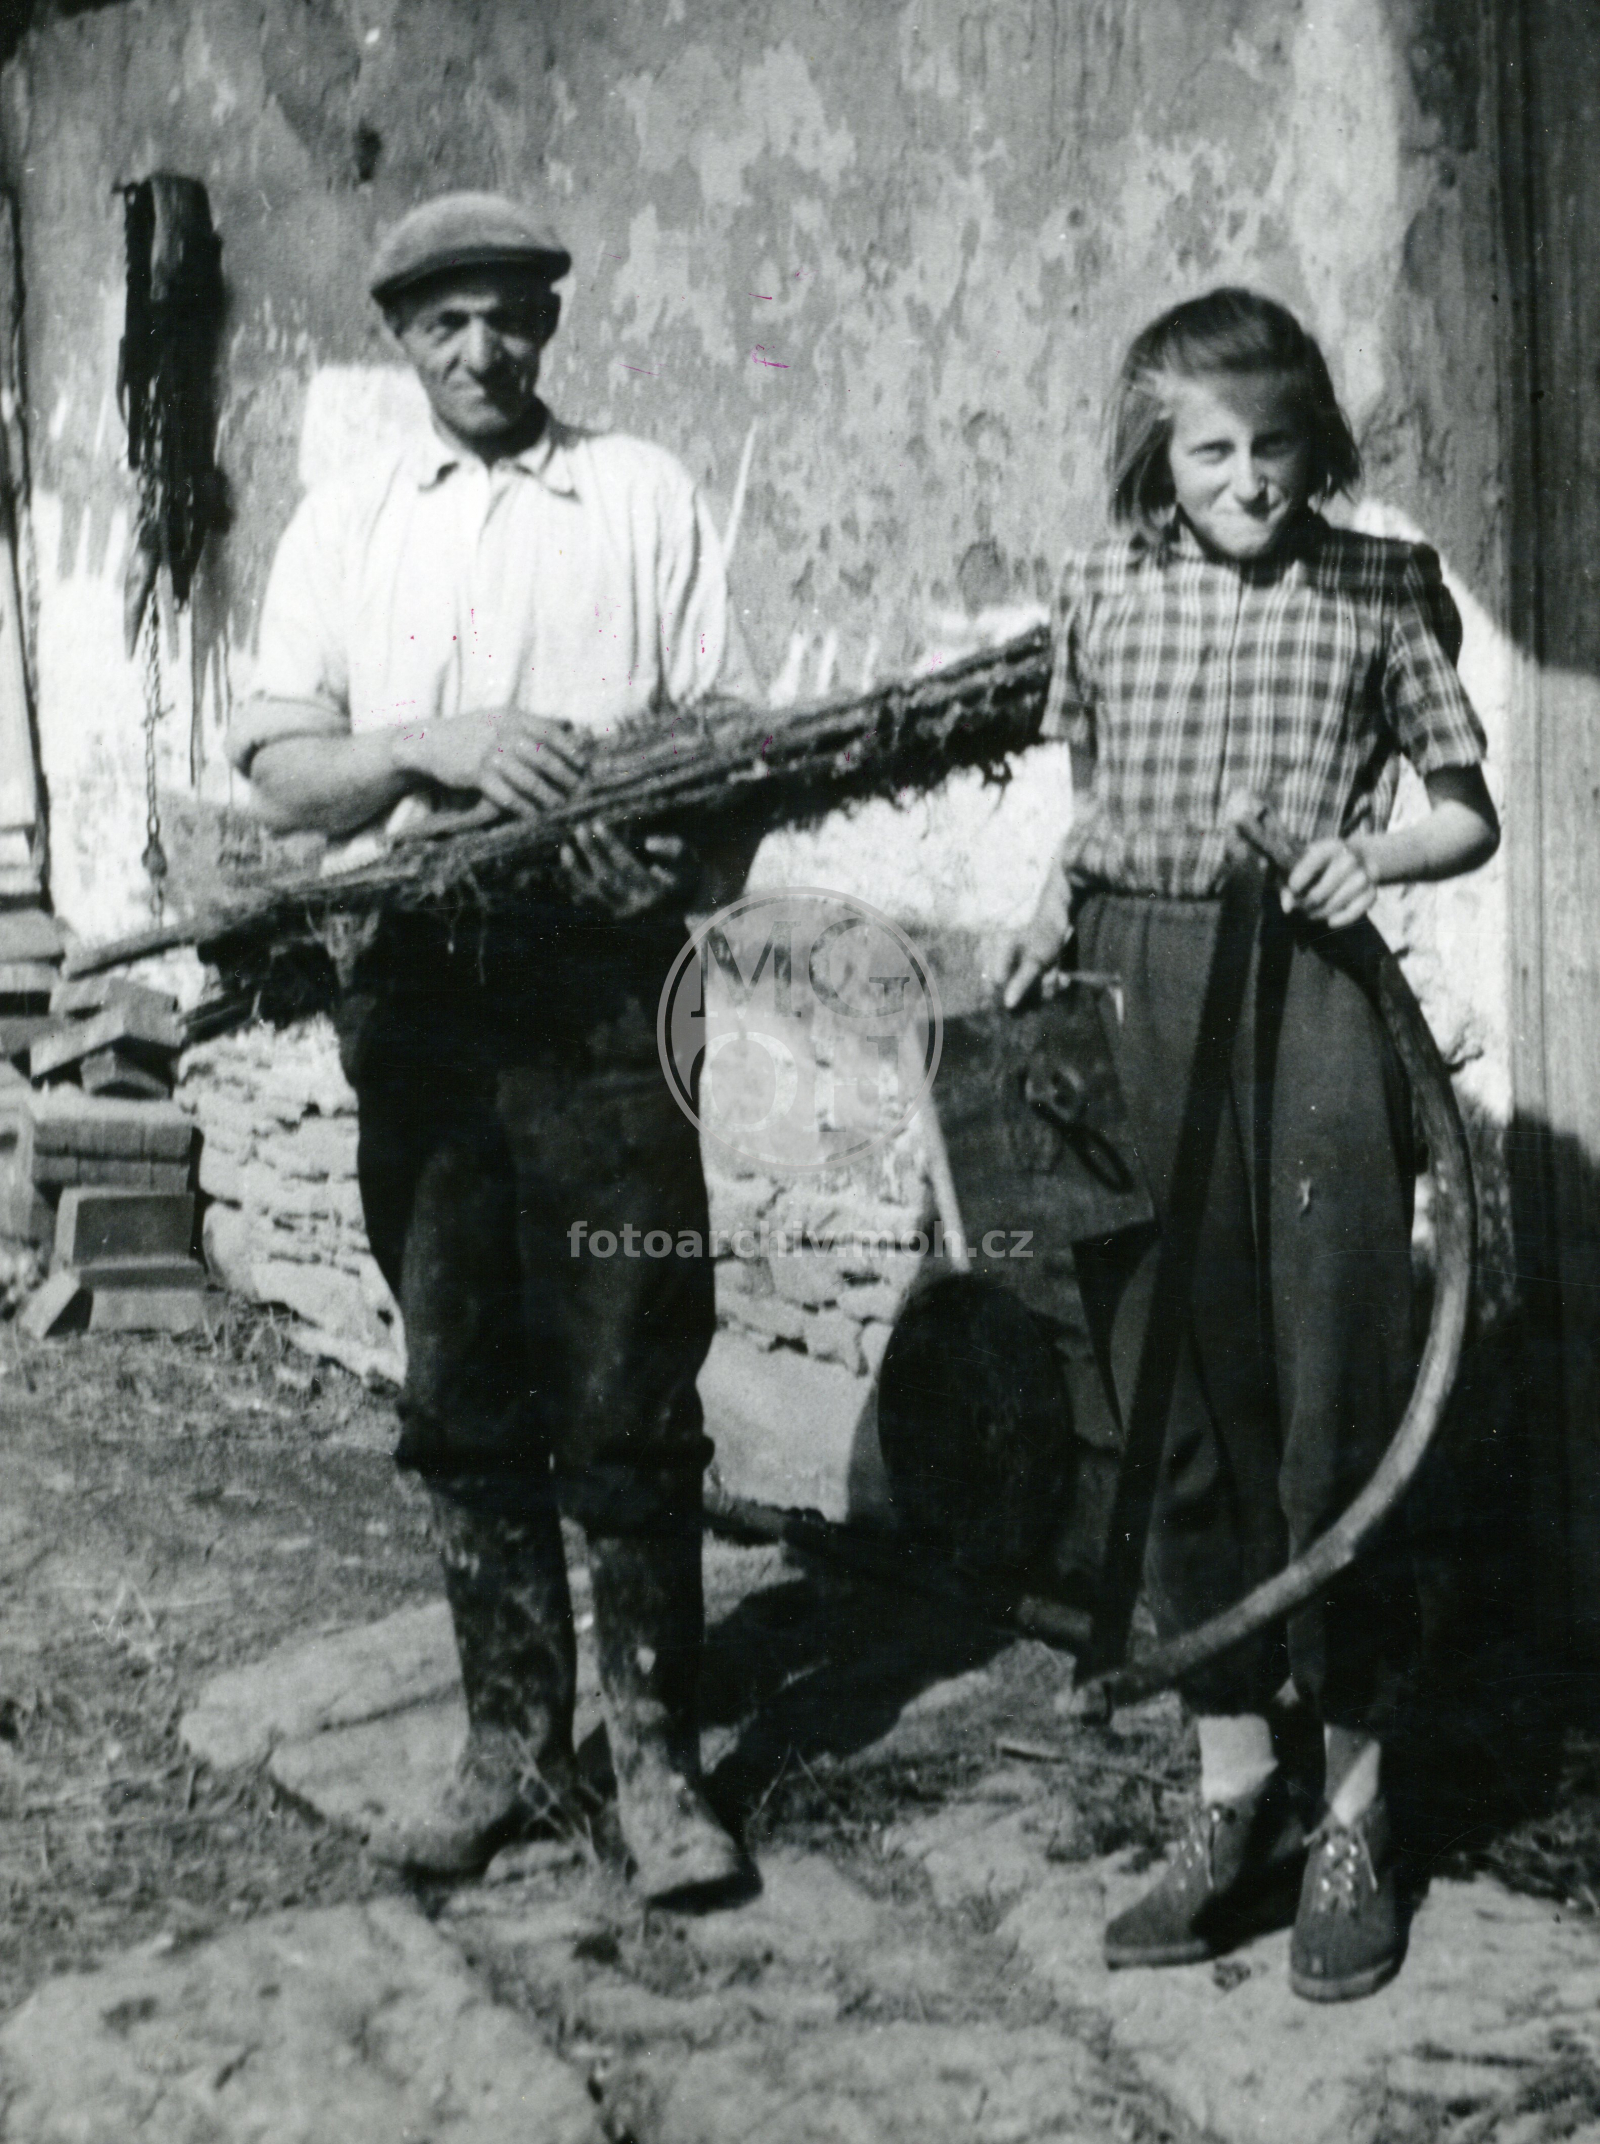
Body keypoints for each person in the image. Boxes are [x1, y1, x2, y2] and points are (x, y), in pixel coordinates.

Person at [227, 191, 760, 1906]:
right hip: (423, 1002)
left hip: (612, 998)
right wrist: (423, 746)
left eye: (510, 317)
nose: (481, 351)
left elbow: (736, 771)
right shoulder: (352, 521)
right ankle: (510, 1754)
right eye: (445, 323)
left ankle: (662, 1772)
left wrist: (663, 857)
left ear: (552, 323)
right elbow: (282, 770)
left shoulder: (640, 495)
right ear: (401, 338)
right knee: (461, 1370)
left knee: (629, 1360)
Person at [1003, 288, 1499, 2001]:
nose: (1249, 478)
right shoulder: (1099, 588)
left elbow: (1462, 802)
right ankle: (1235, 1794)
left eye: (1277, 444)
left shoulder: (1375, 588)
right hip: (1127, 994)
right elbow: (1083, 803)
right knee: (1163, 1405)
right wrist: (1035, 910)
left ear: (1319, 441)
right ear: (1157, 451)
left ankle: (1357, 1803)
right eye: (1210, 449)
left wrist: (1385, 863)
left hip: (1306, 1005)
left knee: (1334, 1389)